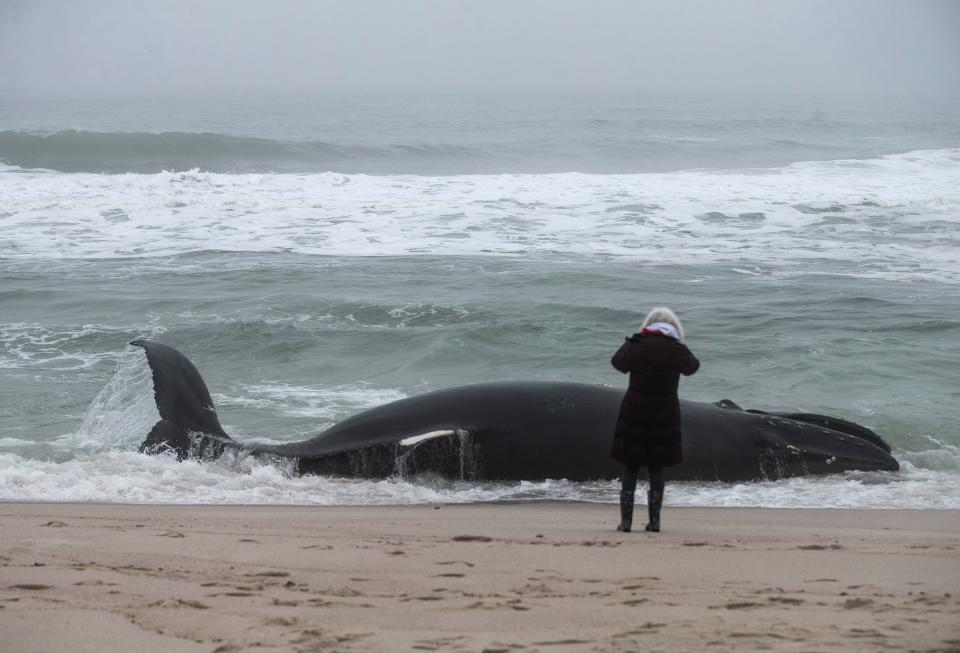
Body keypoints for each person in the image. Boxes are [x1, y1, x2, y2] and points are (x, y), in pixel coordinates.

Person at [610, 307, 699, 533]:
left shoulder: (638, 345)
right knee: (656, 468)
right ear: (675, 328)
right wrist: (680, 345)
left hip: (634, 412)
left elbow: (617, 363)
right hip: (664, 414)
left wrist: (632, 341)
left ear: (648, 325)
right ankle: (655, 522)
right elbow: (693, 367)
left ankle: (626, 522)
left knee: (630, 466)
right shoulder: (677, 350)